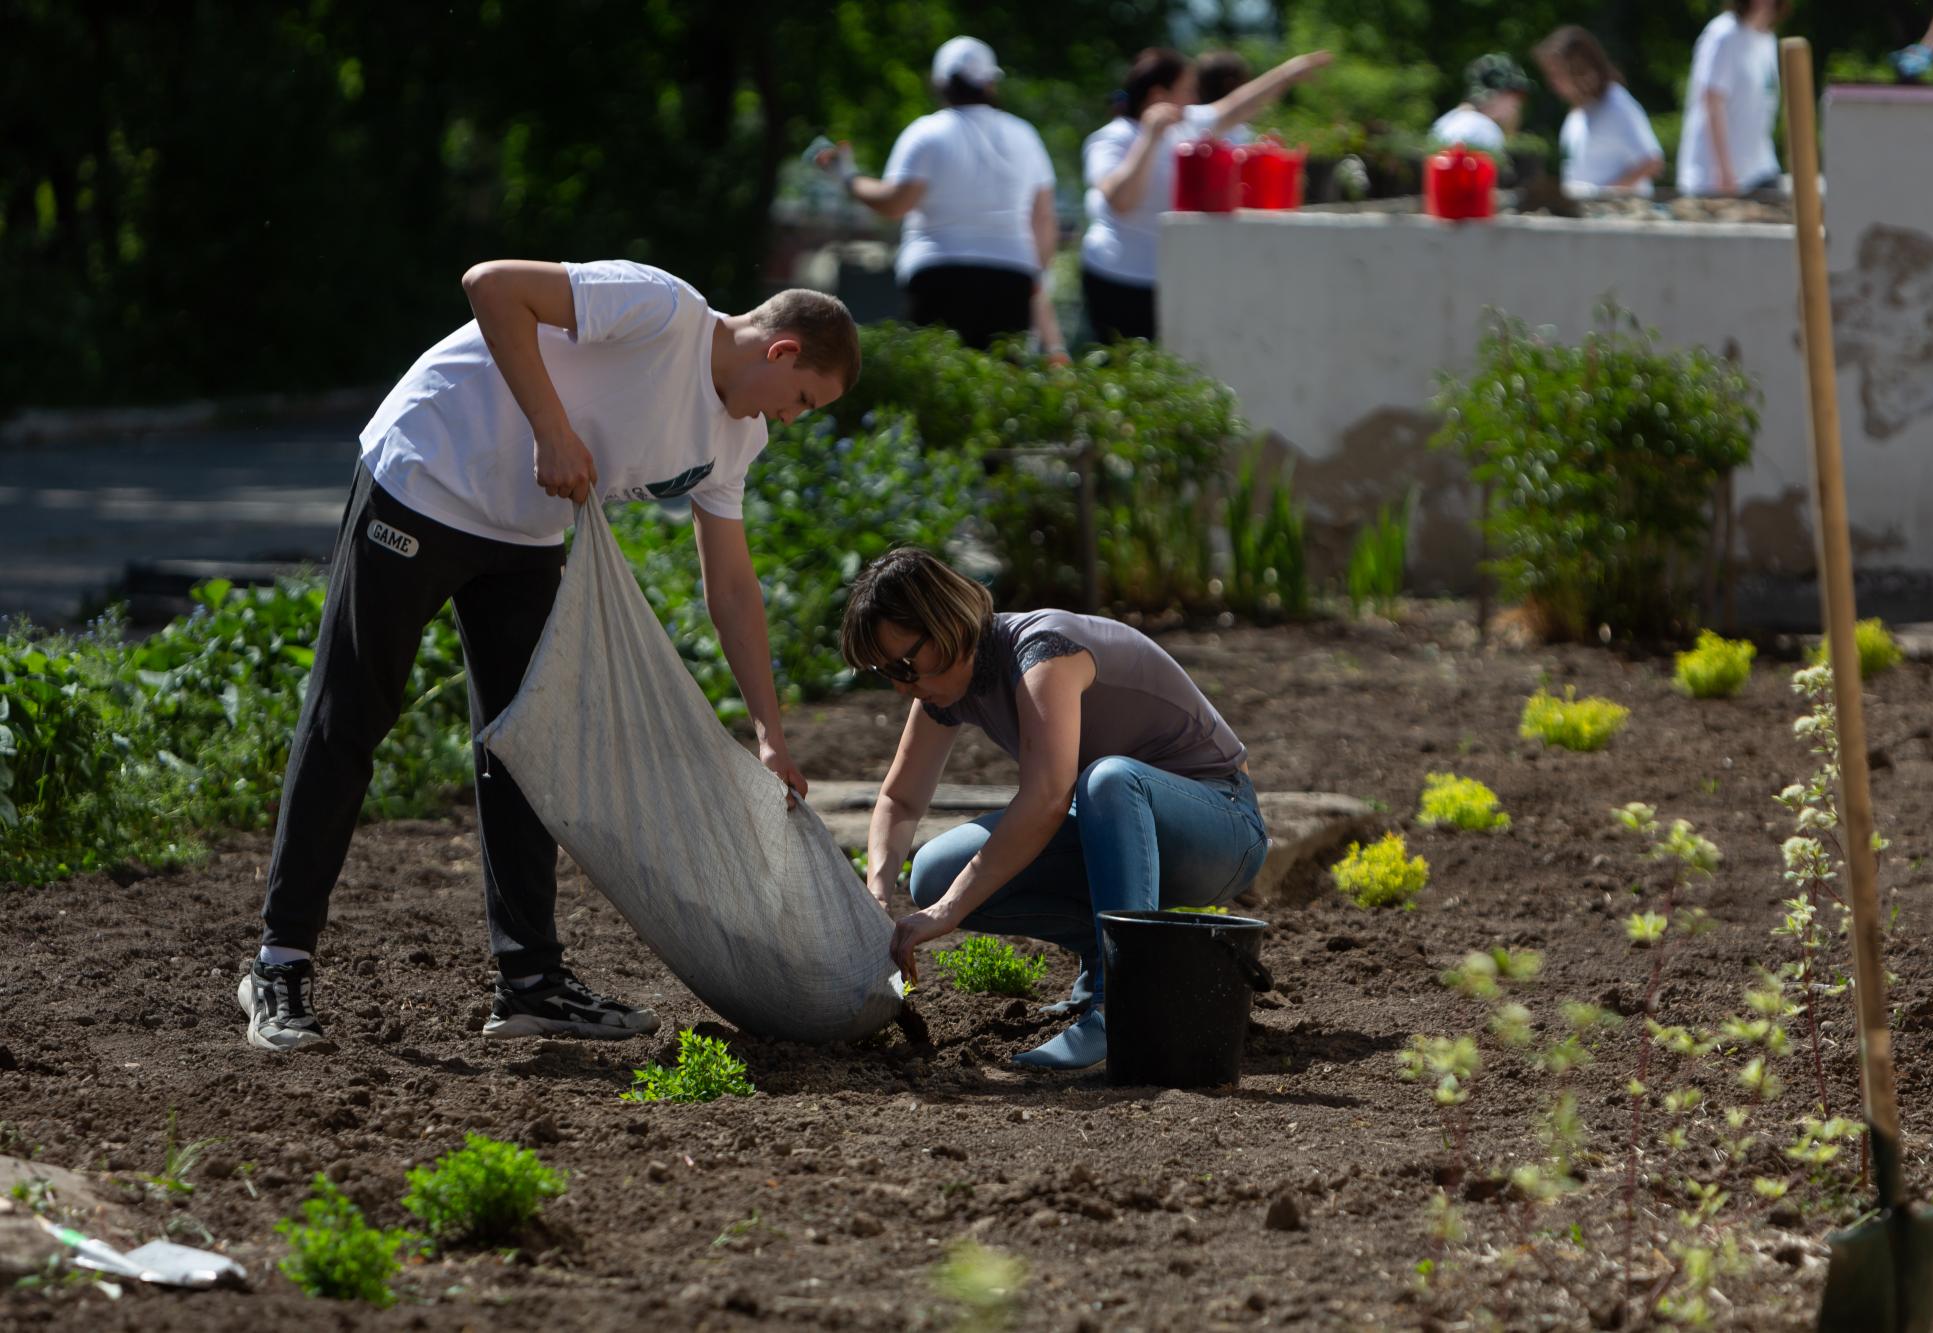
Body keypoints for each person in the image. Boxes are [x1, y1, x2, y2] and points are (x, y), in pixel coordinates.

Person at [239, 260, 860, 1053]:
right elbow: (491, 285)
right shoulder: (661, 308)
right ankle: (278, 964)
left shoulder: (738, 436)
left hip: (524, 533)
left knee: (528, 742)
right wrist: (552, 429)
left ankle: (529, 981)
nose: (796, 419)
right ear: (779, 352)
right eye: (805, 399)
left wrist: (770, 731)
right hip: (427, 477)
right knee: (351, 714)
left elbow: (732, 586)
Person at [841, 548, 1268, 1071]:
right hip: (1126, 822)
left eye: (904, 665)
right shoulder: (940, 690)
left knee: (1107, 779)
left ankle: (1123, 1010)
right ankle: (1115, 960)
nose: (900, 684)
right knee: (934, 873)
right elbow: (900, 799)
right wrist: (877, 894)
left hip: (1222, 824)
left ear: (945, 624)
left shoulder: (1043, 651)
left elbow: (1046, 799)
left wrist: (950, 912)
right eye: (885, 672)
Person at [1079, 47, 1333, 345]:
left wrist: (1289, 72)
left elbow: (1237, 107)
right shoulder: (1112, 139)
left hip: (1168, 278)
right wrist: (1150, 137)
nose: (1193, 98)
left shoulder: (1186, 125)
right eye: (1186, 90)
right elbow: (1121, 202)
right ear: (1159, 94)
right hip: (1116, 279)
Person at [819, 37, 1056, 350]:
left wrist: (848, 178)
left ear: (940, 82)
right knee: (1001, 378)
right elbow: (1043, 220)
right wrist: (1036, 278)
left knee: (940, 375)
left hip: (939, 271)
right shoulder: (1025, 135)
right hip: (1012, 274)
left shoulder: (927, 133)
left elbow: (895, 203)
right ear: (990, 83)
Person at [1676, 1, 1788, 197]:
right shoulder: (1724, 34)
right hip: (1716, 178)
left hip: (1761, 169)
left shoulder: (1767, 39)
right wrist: (1723, 170)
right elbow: (1712, 102)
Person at [1534, 26, 1664, 196]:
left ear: (1581, 68)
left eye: (1557, 74)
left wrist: (1603, 196)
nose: (1552, 83)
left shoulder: (1616, 104)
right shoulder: (1578, 111)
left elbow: (1652, 162)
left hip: (1616, 217)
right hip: (1588, 217)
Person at [1428, 54, 1532, 152]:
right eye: (1515, 93)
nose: (1518, 103)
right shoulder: (1485, 130)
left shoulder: (1446, 120)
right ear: (1496, 95)